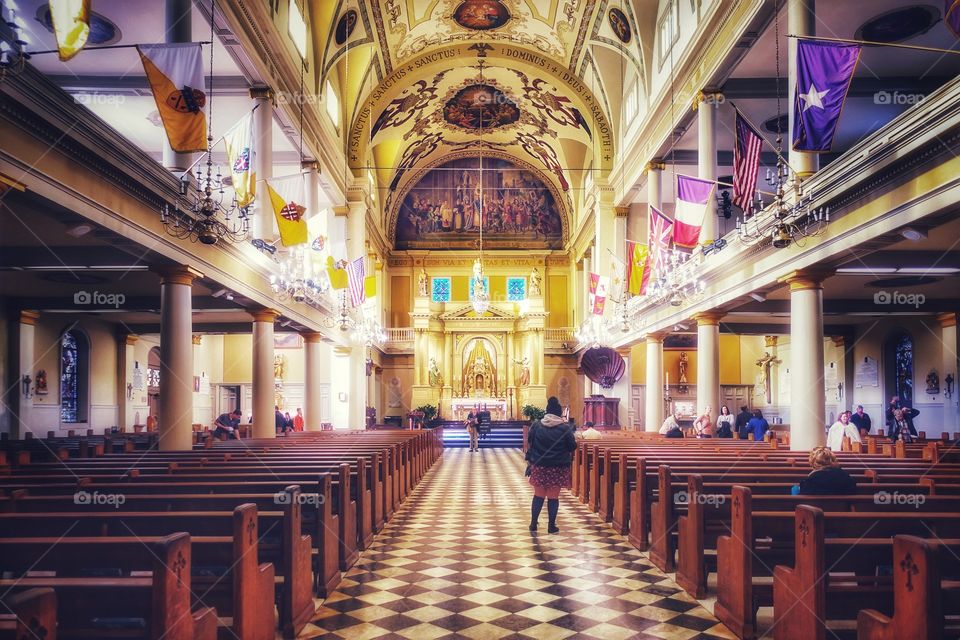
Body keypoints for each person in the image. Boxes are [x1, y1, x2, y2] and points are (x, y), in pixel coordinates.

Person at [526, 397, 576, 534]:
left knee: (538, 495)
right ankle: (551, 526)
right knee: (553, 497)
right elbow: (572, 446)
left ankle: (533, 524)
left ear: (546, 412)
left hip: (540, 464)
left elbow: (530, 442)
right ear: (559, 413)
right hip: (558, 466)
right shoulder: (565, 428)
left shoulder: (536, 425)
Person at [791, 446, 857, 495]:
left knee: (794, 489)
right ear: (832, 460)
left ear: (813, 462)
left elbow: (802, 497)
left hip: (815, 512)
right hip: (843, 512)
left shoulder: (811, 480)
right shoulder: (845, 476)